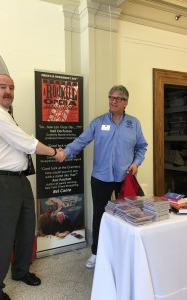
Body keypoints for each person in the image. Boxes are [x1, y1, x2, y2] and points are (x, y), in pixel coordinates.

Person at [0, 74, 64, 300]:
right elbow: (26, 142)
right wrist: (56, 152)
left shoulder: (5, 114)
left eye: (12, 88)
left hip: (19, 180)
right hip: (1, 182)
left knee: (27, 228)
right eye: (3, 87)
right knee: (3, 236)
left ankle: (20, 271)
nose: (8, 91)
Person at [60, 85, 148, 268]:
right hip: (101, 177)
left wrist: (136, 163)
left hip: (125, 177)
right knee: (100, 215)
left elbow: (141, 147)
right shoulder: (98, 122)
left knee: (127, 215)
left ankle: (124, 252)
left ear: (126, 102)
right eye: (111, 97)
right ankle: (96, 252)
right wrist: (65, 153)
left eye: (118, 98)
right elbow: (81, 141)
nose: (113, 101)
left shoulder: (134, 124)